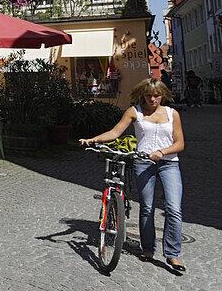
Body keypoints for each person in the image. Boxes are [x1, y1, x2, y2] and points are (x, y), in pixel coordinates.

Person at [80, 77, 186, 272]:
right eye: (148, 96)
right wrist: (93, 139)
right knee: (147, 207)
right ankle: (148, 249)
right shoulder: (134, 111)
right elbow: (115, 132)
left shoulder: (172, 114)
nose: (153, 100)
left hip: (168, 164)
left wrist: (162, 152)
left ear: (162, 95)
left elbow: (180, 143)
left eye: (156, 96)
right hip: (143, 163)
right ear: (142, 95)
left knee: (174, 208)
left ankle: (172, 254)